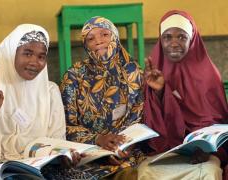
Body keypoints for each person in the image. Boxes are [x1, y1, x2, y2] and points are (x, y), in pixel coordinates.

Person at [0, 24, 82, 166]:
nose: (34, 62)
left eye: (41, 56)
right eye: (27, 53)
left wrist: (64, 155)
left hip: (40, 166)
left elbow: (57, 140)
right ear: (11, 53)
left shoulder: (50, 92)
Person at [138, 10, 228, 179]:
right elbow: (150, 124)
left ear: (192, 40)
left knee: (210, 171)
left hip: (201, 154)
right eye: (167, 37)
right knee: (146, 171)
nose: (174, 43)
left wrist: (208, 149)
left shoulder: (209, 75)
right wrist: (159, 91)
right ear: (160, 39)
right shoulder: (154, 72)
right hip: (165, 150)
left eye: (181, 37)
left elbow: (219, 124)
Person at [60, 16, 145, 179]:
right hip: (87, 156)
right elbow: (66, 127)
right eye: (90, 38)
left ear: (115, 37)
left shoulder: (133, 72)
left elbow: (139, 119)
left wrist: (128, 146)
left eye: (104, 35)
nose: (98, 41)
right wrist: (98, 140)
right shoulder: (74, 77)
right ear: (85, 45)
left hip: (125, 154)